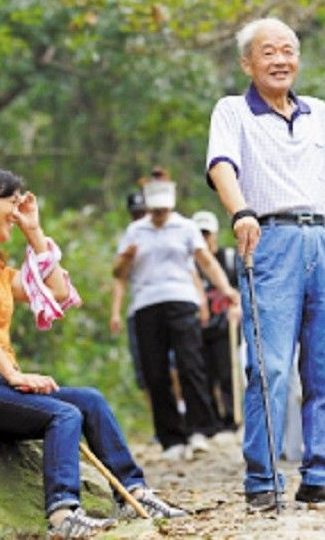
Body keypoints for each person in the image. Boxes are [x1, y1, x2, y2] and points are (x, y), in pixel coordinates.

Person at [0, 164, 186, 538]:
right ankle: (63, 515)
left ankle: (133, 492)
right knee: (62, 415)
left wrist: (34, 231)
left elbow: (57, 291)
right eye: (10, 204)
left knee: (89, 401)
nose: (16, 213)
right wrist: (14, 375)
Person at [206, 16, 325, 510]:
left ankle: (323, 476)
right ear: (248, 63)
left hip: (323, 241)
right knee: (269, 365)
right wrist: (240, 210)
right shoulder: (232, 111)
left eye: (288, 50)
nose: (280, 60)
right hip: (269, 239)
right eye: (268, 52)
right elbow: (221, 165)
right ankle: (263, 480)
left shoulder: (322, 115)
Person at [112, 167, 240, 461]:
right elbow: (118, 272)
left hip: (181, 299)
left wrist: (225, 289)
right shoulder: (135, 231)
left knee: (190, 364)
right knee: (155, 371)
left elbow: (205, 261)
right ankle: (171, 437)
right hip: (146, 303)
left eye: (162, 210)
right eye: (154, 211)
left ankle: (199, 429)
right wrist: (127, 257)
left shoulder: (185, 227)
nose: (159, 215)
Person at [191, 209, 242, 434]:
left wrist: (238, 307)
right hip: (199, 327)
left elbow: (241, 288)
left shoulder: (229, 259)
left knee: (226, 373)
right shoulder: (191, 265)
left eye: (207, 233)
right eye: (199, 234)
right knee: (204, 375)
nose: (204, 238)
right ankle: (212, 422)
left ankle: (232, 418)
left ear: (214, 234)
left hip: (225, 325)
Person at [110, 192, 149, 400]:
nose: (140, 218)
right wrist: (115, 312)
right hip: (140, 307)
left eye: (143, 213)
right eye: (136, 214)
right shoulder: (131, 235)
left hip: (168, 304)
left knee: (175, 365)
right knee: (145, 371)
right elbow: (119, 276)